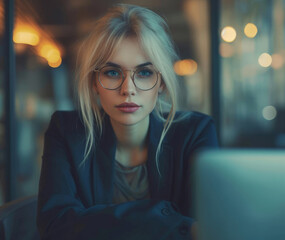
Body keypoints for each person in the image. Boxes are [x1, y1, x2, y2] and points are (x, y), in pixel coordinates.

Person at [36, 3, 218, 240]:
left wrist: (93, 221)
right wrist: (162, 216)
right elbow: (55, 226)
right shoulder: (67, 131)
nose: (128, 89)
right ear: (94, 82)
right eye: (112, 72)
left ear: (161, 83)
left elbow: (207, 228)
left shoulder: (195, 132)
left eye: (144, 73)